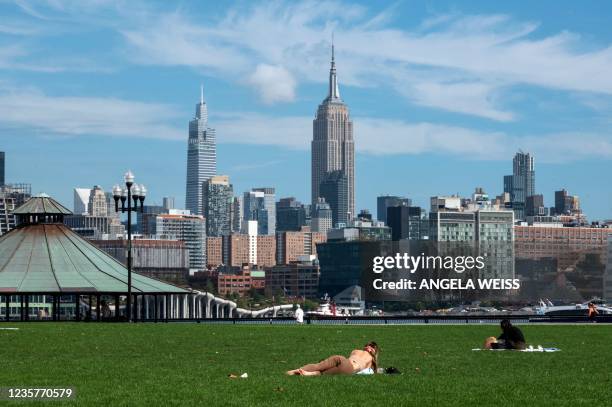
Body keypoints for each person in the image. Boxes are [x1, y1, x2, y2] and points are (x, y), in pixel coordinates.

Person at [286, 342, 379, 376]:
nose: (369, 347)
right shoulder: (356, 350)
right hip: (347, 368)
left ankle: (296, 370)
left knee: (320, 365)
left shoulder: (371, 360)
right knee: (323, 371)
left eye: (372, 347)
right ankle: (306, 373)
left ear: (375, 351)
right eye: (368, 345)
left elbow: (372, 371)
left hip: (350, 367)